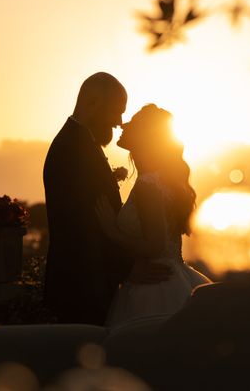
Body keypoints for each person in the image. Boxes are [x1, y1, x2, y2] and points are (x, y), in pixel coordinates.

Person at [43, 73, 170, 325]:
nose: (118, 122)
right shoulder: (71, 150)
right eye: (115, 111)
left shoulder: (82, 144)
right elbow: (80, 228)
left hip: (93, 285)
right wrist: (127, 269)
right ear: (92, 103)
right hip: (82, 288)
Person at [94, 104, 211, 328]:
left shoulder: (148, 184)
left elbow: (155, 245)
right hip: (169, 278)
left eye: (134, 122)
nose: (124, 125)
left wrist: (112, 231)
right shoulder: (158, 180)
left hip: (155, 286)